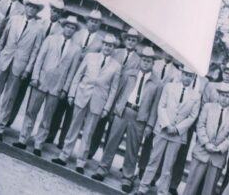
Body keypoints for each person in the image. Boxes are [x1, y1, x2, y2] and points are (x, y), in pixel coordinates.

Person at [97, 43, 165, 186]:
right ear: (140, 60)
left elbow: (155, 107)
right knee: (112, 141)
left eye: (149, 61)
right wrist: (112, 110)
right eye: (144, 59)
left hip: (139, 117)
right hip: (123, 111)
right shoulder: (129, 74)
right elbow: (118, 91)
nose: (146, 63)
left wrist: (150, 125)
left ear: (153, 63)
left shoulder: (157, 83)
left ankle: (127, 177)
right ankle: (103, 168)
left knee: (132, 148)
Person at [18, 16, 85, 151]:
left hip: (57, 87)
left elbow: (72, 72)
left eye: (72, 28)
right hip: (41, 81)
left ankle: (38, 144)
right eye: (67, 26)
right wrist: (35, 77)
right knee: (31, 111)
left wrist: (65, 89)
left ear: (74, 31)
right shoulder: (50, 39)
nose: (69, 30)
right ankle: (23, 139)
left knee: (47, 117)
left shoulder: (76, 49)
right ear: (63, 27)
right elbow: (39, 59)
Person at [59, 32, 125, 167]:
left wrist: (107, 108)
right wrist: (72, 93)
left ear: (114, 48)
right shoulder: (90, 57)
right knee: (73, 127)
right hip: (82, 96)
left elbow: (113, 90)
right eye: (106, 44)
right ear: (102, 45)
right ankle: (64, 155)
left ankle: (81, 162)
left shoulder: (116, 66)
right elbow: (78, 76)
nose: (108, 47)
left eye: (111, 46)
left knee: (88, 133)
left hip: (98, 102)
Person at [0, 0, 48, 137]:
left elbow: (35, 51)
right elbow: (3, 39)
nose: (31, 9)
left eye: (34, 7)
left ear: (37, 10)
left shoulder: (39, 28)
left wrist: (28, 69)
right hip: (4, 59)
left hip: (20, 65)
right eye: (29, 6)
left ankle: (0, 127)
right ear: (25, 7)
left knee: (9, 97)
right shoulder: (14, 20)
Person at [139, 66, 202, 193]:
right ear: (181, 74)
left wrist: (177, 128)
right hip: (163, 130)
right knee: (153, 160)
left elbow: (192, 116)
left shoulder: (196, 96)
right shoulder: (169, 87)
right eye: (185, 74)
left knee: (168, 166)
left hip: (177, 135)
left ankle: (162, 191)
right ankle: (143, 188)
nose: (187, 78)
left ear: (194, 78)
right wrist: (166, 124)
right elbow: (161, 106)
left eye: (190, 76)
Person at [182, 83, 229, 195]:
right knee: (191, 186)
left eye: (228, 96)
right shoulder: (208, 107)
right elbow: (200, 126)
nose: (224, 98)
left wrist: (219, 148)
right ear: (218, 95)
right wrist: (206, 143)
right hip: (202, 152)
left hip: (217, 157)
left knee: (208, 190)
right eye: (223, 95)